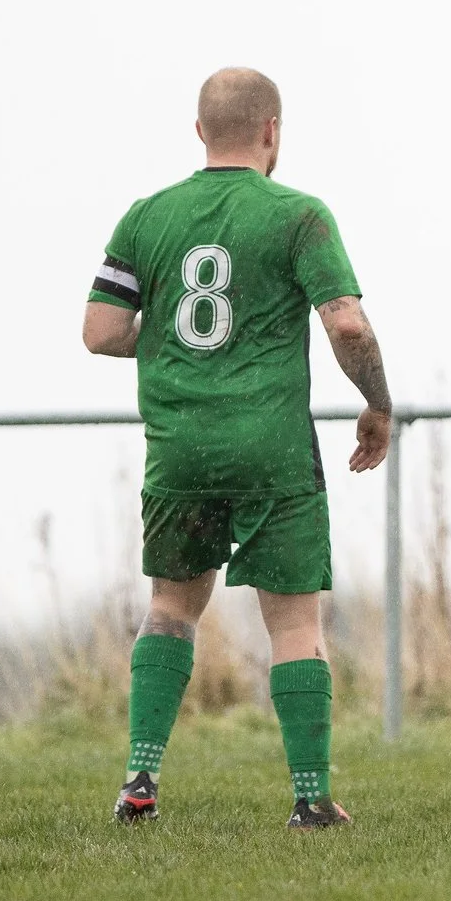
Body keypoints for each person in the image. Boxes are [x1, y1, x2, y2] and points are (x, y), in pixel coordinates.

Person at [83, 68, 392, 830]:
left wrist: (175, 351)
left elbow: (100, 332)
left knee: (169, 608)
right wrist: (378, 404)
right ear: (272, 132)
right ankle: (310, 797)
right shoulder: (298, 215)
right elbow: (347, 324)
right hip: (271, 449)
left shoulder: (145, 218)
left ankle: (140, 781)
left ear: (199, 133)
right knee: (293, 624)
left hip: (179, 448)